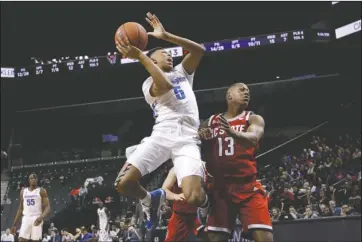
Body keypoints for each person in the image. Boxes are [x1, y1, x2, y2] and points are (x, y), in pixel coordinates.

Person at [114, 12, 209, 229]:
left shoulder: (182, 73)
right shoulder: (147, 85)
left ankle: (206, 204)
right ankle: (150, 200)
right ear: (152, 60)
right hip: (162, 134)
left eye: (169, 54)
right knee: (123, 184)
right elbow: (164, 85)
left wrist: (166, 36)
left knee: (193, 197)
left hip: (187, 137)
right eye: (163, 54)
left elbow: (199, 50)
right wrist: (140, 56)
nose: (169, 56)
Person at [198, 83, 273, 242]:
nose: (246, 93)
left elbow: (253, 138)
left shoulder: (253, 118)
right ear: (229, 95)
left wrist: (233, 133)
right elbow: (195, 140)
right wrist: (201, 135)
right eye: (242, 90)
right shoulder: (211, 121)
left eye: (248, 91)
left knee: (265, 239)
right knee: (215, 239)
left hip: (247, 186)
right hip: (220, 189)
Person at [162, 167, 202, 242]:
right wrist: (175, 196)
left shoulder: (201, 167)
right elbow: (164, 190)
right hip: (179, 217)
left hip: (197, 216)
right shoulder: (175, 170)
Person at [11, 173, 51, 242]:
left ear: (37, 180)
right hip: (26, 217)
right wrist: (14, 225)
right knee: (21, 239)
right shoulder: (23, 191)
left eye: (35, 178)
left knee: (35, 240)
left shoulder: (41, 191)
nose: (33, 180)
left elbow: (48, 207)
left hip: (37, 217)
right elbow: (20, 209)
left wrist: (41, 217)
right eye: (31, 178)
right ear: (29, 180)